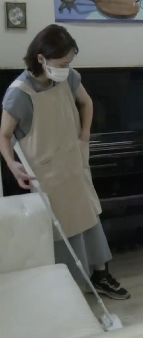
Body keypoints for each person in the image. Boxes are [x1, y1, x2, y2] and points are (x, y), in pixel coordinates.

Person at [0, 24, 130, 300]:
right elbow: (4, 135)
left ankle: (101, 275)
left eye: (69, 63)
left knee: (88, 218)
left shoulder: (67, 78)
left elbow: (87, 102)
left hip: (72, 163)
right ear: (41, 59)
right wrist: (12, 166)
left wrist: (84, 135)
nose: (66, 68)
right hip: (47, 174)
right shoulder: (20, 93)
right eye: (62, 63)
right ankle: (69, 289)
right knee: (63, 231)